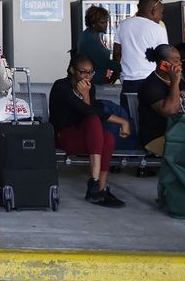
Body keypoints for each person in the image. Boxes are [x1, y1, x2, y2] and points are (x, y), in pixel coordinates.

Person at [50, 55, 130, 208]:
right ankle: (94, 182)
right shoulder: (61, 86)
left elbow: (90, 112)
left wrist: (86, 94)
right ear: (72, 70)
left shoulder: (89, 88)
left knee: (108, 137)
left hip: (85, 136)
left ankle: (100, 188)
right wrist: (122, 121)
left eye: (91, 72)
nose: (87, 76)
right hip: (64, 136)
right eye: (83, 72)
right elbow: (86, 110)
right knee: (94, 119)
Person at [137, 44, 185, 155]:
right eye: (176, 60)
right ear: (163, 64)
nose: (180, 63)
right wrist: (174, 83)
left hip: (182, 131)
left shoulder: (179, 81)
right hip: (159, 137)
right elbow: (170, 112)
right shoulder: (150, 85)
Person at [113, 0, 168, 110]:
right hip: (151, 81)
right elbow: (165, 56)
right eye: (161, 12)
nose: (162, 16)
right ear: (153, 9)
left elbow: (117, 53)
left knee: (127, 115)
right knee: (148, 116)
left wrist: (117, 74)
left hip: (128, 82)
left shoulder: (123, 25)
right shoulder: (158, 29)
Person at [77, 5, 121, 85]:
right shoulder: (90, 39)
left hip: (96, 79)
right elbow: (104, 62)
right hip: (91, 82)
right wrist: (125, 67)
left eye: (106, 22)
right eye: (102, 23)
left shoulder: (95, 35)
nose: (106, 25)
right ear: (93, 24)